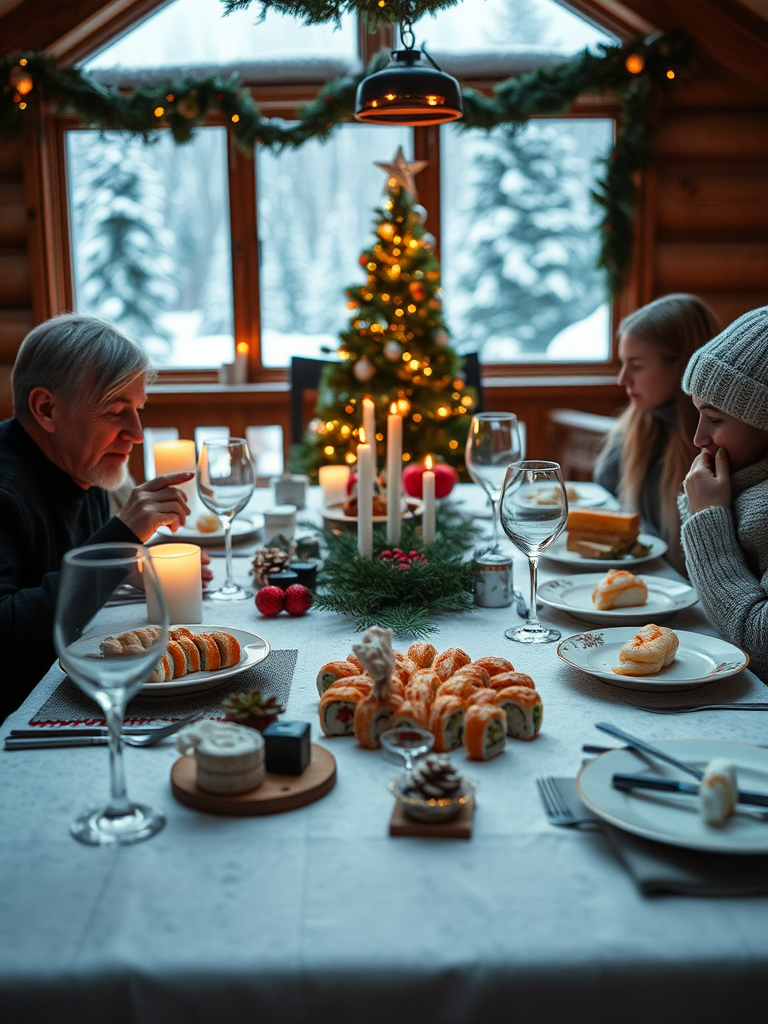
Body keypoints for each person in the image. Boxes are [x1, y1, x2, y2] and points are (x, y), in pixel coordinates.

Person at [0, 314, 198, 721]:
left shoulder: (81, 467)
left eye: (139, 409)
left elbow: (58, 576)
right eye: (115, 411)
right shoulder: (6, 490)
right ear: (46, 408)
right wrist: (123, 537)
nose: (137, 433)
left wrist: (123, 566)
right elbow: (7, 640)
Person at [593, 294, 721, 572]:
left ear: (684, 365)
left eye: (636, 365)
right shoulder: (638, 425)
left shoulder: (715, 446)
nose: (622, 379)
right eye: (622, 363)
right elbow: (604, 486)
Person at [679, 305, 768, 683]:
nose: (698, 438)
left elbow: (760, 643)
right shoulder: (746, 486)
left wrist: (706, 520)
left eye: (715, 419)